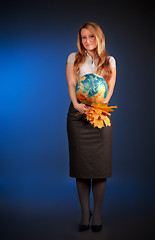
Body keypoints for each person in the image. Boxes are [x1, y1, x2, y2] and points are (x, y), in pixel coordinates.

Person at [66, 22, 116, 232]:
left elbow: (110, 90)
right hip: (77, 115)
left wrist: (98, 107)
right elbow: (71, 84)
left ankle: (97, 213)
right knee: (82, 168)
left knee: (99, 167)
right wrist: (77, 104)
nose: (87, 41)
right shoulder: (73, 58)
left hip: (99, 116)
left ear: (99, 38)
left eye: (91, 37)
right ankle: (84, 213)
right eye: (83, 37)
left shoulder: (109, 60)